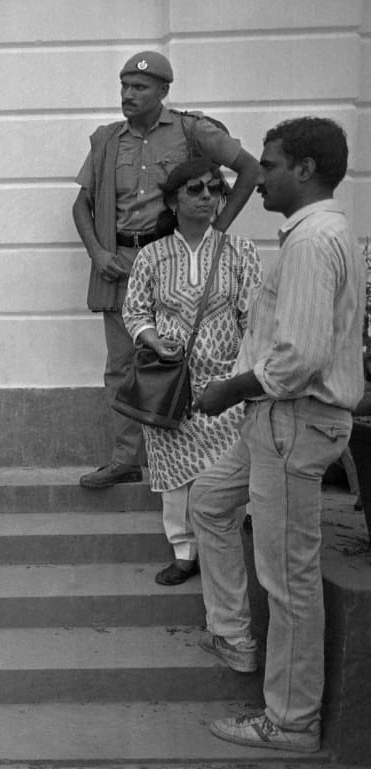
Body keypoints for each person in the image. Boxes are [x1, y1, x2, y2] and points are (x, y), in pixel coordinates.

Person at [190, 117, 363, 753]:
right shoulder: (316, 234)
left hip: (293, 420)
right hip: (276, 421)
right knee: (209, 501)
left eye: (269, 165)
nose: (257, 177)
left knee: (289, 580)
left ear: (305, 170)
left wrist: (231, 389)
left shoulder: (314, 241)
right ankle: (233, 634)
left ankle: (291, 720)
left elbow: (301, 358)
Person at [73, 51, 261, 489]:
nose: (128, 94)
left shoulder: (192, 130)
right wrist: (97, 252)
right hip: (121, 264)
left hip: (176, 260)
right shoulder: (107, 140)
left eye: (139, 87)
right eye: (124, 86)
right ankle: (125, 459)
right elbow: (81, 204)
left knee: (192, 359)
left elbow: (250, 170)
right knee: (124, 366)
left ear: (163, 91)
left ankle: (204, 462)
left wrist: (217, 230)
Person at [121, 159, 262, 587]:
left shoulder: (240, 251)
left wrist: (241, 379)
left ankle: (222, 550)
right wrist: (153, 340)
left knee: (226, 469)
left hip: (225, 385)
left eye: (214, 189)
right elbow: (135, 311)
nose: (207, 196)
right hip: (171, 385)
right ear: (172, 200)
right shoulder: (152, 255)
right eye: (195, 189)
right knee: (174, 473)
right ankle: (184, 552)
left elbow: (255, 320)